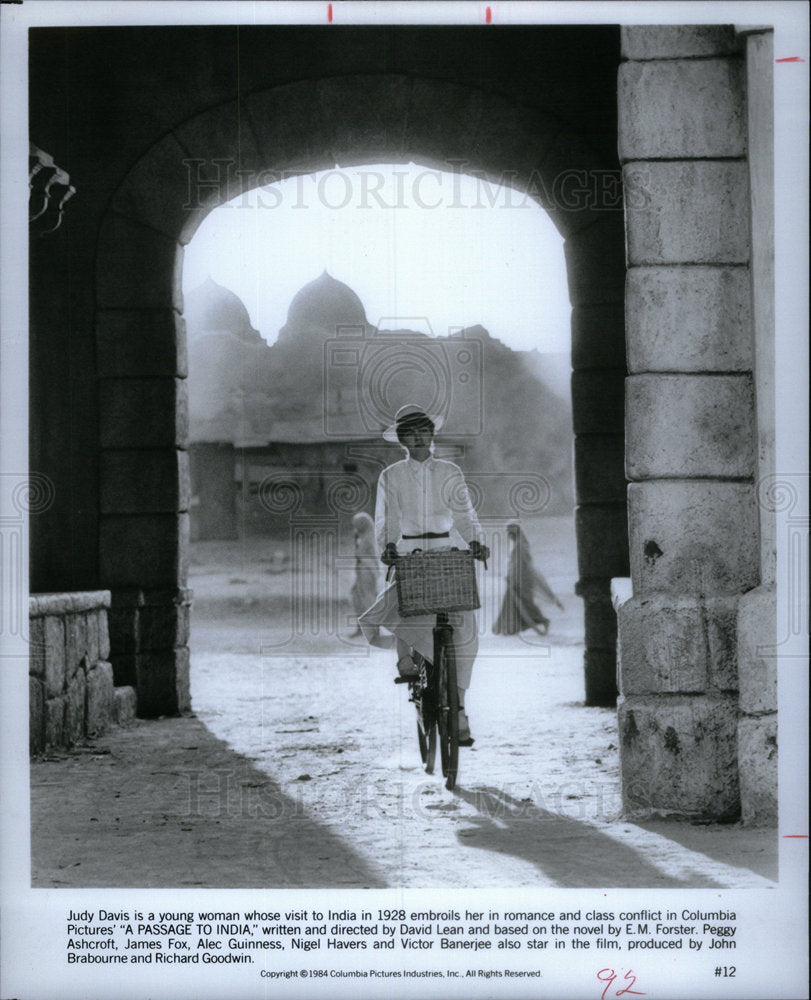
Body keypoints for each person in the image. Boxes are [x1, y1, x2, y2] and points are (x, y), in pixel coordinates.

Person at [358, 404, 489, 746]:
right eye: (410, 433)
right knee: (404, 604)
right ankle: (405, 660)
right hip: (409, 551)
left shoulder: (449, 471)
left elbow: (463, 511)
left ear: (432, 435)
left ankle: (459, 709)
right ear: (402, 440)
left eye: (423, 431)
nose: (418, 438)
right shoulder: (392, 475)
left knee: (465, 628)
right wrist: (387, 546)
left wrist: (476, 540)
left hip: (447, 551)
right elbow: (386, 517)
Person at [493, 522, 563, 636]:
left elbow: (521, 565)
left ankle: (541, 621)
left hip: (522, 579)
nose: (509, 536)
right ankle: (510, 628)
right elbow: (516, 564)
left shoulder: (520, 546)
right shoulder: (520, 545)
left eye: (510, 533)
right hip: (519, 578)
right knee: (514, 603)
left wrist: (513, 578)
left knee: (524, 603)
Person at [349, 511, 387, 641]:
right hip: (362, 571)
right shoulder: (364, 537)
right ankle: (361, 628)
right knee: (358, 599)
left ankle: (372, 629)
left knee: (367, 600)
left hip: (367, 572)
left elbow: (368, 557)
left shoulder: (369, 539)